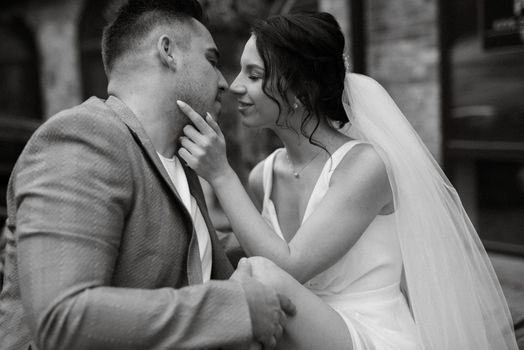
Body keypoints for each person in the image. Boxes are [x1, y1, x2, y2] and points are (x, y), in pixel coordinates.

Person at [176, 12, 519, 350]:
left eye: (254, 75)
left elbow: (287, 268)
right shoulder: (261, 176)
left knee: (259, 275)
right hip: (297, 331)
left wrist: (221, 175)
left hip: (370, 335)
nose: (234, 85)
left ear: (299, 89)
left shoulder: (365, 166)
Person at [0, 1, 296, 349]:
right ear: (167, 51)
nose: (224, 83)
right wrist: (237, 309)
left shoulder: (176, 160)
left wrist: (292, 253)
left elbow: (187, 247)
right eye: (212, 61)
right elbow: (63, 319)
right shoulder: (82, 136)